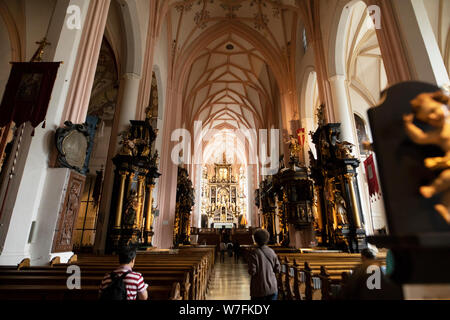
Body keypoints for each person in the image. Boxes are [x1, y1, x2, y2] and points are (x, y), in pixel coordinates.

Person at [247, 229, 280, 300]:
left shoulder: (254, 253)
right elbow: (277, 269)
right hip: (272, 287)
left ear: (255, 239)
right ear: (267, 239)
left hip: (258, 288)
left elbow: (252, 271)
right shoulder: (272, 251)